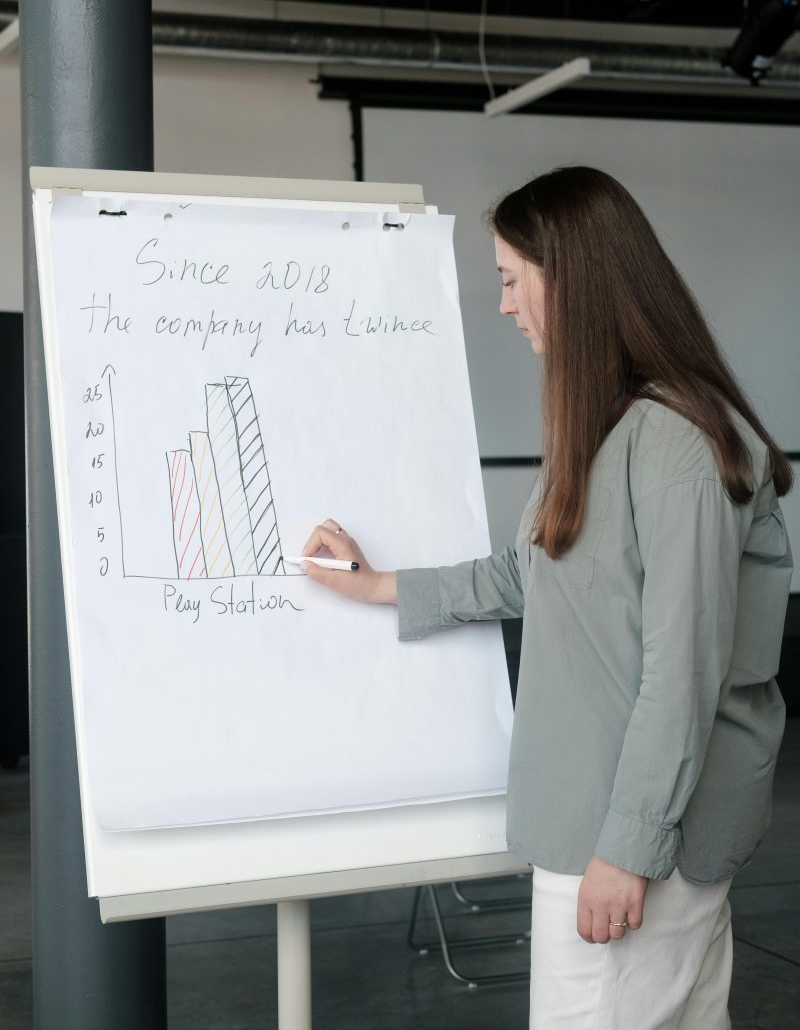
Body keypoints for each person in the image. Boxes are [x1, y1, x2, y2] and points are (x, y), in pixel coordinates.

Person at [300, 165, 793, 1029]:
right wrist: (380, 584)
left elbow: (684, 672)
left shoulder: (676, 442)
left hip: (632, 845)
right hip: (596, 827)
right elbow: (530, 572)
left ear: (572, 281)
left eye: (509, 280)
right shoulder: (606, 426)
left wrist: (627, 852)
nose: (503, 304)